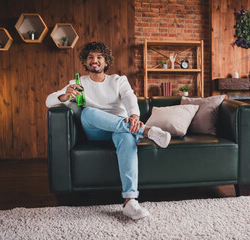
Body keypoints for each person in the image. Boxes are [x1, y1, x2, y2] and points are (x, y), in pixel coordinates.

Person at [46, 41, 171, 220]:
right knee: (88, 112)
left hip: (121, 126)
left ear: (106, 62)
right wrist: (65, 95)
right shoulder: (78, 82)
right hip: (95, 130)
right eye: (90, 57)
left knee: (126, 136)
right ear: (85, 62)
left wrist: (134, 116)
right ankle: (146, 131)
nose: (94, 60)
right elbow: (48, 101)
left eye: (99, 57)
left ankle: (130, 201)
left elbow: (129, 98)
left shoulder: (118, 80)